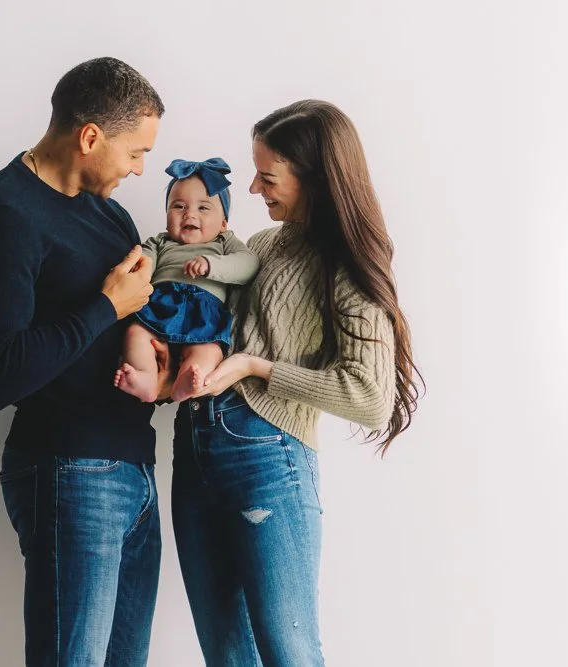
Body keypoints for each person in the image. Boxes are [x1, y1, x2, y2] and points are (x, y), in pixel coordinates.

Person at [171, 100, 423, 666]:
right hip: (193, 447)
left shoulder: (346, 265)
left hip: (268, 457)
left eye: (268, 176)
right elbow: (205, 323)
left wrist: (254, 367)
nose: (256, 190)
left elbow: (370, 397)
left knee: (290, 654)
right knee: (226, 656)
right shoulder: (258, 247)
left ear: (314, 178)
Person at [0, 57, 168, 667]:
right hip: (69, 472)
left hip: (134, 472)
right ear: (91, 136)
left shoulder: (111, 214)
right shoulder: (6, 214)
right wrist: (106, 305)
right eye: (135, 152)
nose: (139, 169)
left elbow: (122, 329)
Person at [114, 157, 259, 403]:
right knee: (136, 333)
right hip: (160, 304)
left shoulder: (225, 243)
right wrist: (135, 275)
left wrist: (212, 265)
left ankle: (188, 381)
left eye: (203, 208)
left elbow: (249, 265)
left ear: (223, 223)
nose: (189, 214)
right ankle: (147, 378)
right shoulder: (160, 242)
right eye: (179, 206)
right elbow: (142, 264)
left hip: (204, 312)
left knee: (210, 349)